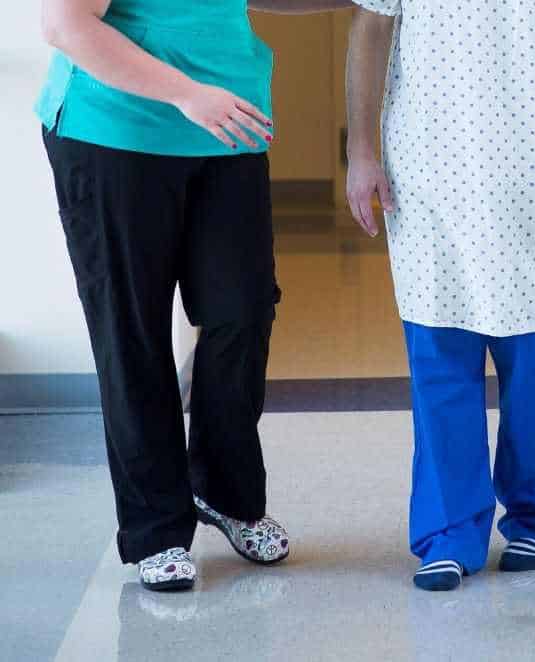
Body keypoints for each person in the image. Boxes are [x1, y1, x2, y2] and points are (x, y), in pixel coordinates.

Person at [37, 0, 354, 591]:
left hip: (225, 124)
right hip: (115, 129)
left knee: (244, 310)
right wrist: (186, 93)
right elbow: (64, 23)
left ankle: (225, 492)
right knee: (134, 331)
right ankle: (156, 528)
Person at [346, 1, 535, 591]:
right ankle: (449, 532)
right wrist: (361, 151)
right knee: (439, 352)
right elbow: (370, 28)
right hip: (429, 165)